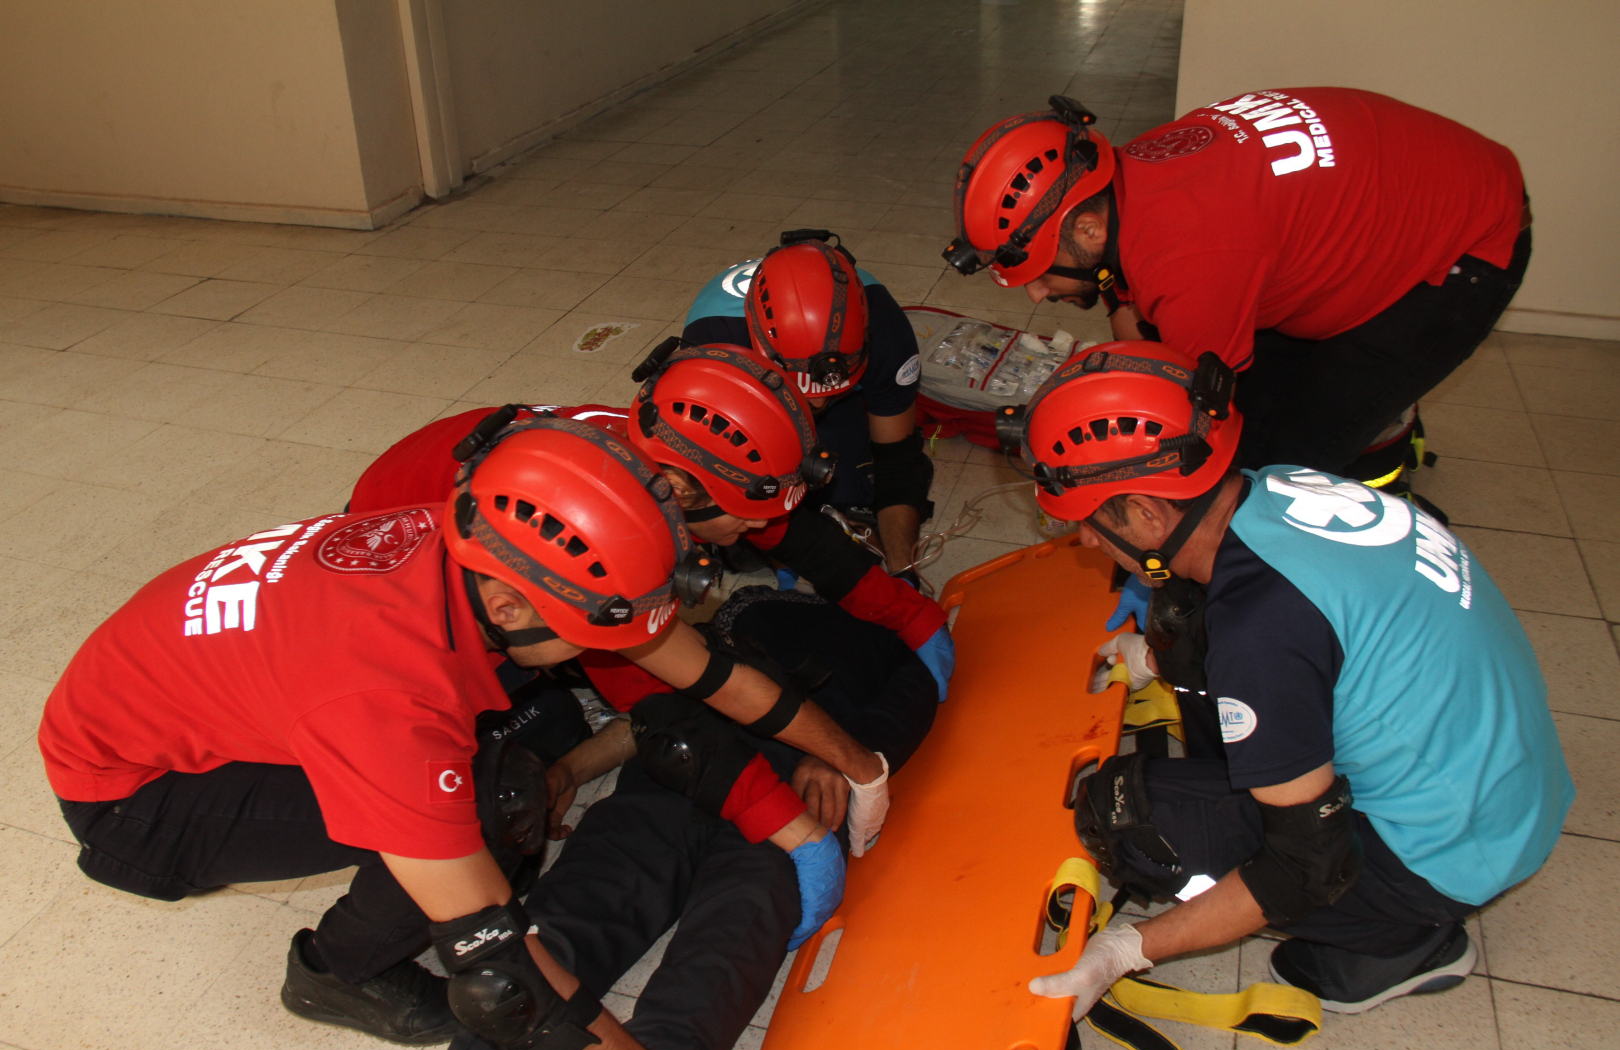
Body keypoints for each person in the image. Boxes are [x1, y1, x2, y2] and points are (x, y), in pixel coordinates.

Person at [39, 418, 888, 1050]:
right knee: (488, 807)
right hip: (135, 794)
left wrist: (860, 765)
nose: (619, 651)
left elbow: (699, 668)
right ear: (515, 610)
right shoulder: (389, 702)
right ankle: (335, 973)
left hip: (203, 696)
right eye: (599, 632)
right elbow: (502, 980)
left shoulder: (478, 542)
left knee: (494, 776)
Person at [1002, 340, 1571, 1014]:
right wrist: (1160, 661)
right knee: (1186, 623)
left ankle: (1402, 946)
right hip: (1509, 788)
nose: (1088, 542)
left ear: (1149, 513)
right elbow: (1311, 631)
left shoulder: (1262, 629)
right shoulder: (1278, 487)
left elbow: (1306, 863)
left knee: (1127, 816)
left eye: (1091, 523)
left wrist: (1128, 950)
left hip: (1451, 852)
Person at [432, 585, 938, 1050]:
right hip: (678, 778)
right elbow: (654, 711)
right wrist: (571, 771)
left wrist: (839, 757)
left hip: (787, 800)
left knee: (718, 958)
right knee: (567, 925)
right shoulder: (749, 605)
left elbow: (912, 702)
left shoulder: (889, 640)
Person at [945, 90, 1529, 495]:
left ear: (1089, 229)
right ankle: (1372, 409)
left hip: (1469, 243)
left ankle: (1383, 421)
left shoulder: (1193, 261)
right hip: (1410, 191)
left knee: (1271, 470)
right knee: (1266, 382)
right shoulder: (1131, 175)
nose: (1037, 295)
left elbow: (1192, 431)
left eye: (1042, 270)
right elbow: (1139, 322)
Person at [347, 343, 955, 702]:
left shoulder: (683, 462)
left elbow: (806, 543)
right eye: (745, 524)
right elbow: (633, 666)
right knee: (507, 673)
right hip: (407, 536)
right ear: (685, 493)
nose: (757, 536)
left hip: (480, 482)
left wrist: (912, 615)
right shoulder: (614, 520)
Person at [682, 230, 935, 580]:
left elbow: (898, 461)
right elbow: (710, 476)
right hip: (750, 401)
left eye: (828, 387)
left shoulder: (887, 329)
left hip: (846, 402)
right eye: (804, 390)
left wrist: (903, 570)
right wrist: (799, 553)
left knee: (856, 499)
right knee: (739, 533)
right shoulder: (714, 348)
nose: (816, 401)